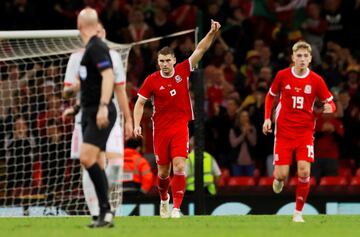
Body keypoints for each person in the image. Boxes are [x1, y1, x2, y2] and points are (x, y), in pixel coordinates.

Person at [133, 19, 221, 218]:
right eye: (161, 61)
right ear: (158, 62)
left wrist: (212, 33)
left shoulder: (183, 70)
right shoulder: (151, 80)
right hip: (160, 130)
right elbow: (139, 103)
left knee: (180, 166)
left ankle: (176, 208)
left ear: (173, 60)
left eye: (167, 60)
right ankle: (164, 199)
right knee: (163, 173)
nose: (165, 64)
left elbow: (201, 49)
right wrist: (137, 124)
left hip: (180, 126)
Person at [62, 22, 132, 225]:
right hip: (85, 115)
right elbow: (76, 87)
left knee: (115, 165)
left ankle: (105, 208)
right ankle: (98, 212)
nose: (98, 35)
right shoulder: (77, 57)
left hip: (107, 114)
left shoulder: (112, 56)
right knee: (92, 162)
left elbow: (119, 89)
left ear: (104, 33)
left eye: (101, 32)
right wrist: (74, 104)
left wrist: (127, 119)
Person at [262, 41, 336, 223]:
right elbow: (270, 96)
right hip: (284, 132)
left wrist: (330, 108)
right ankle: (278, 180)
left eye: (305, 56)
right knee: (282, 175)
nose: (302, 59)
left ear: (310, 59)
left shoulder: (317, 80)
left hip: (305, 133)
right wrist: (267, 118)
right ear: (293, 58)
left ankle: (298, 213)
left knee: (304, 171)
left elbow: (331, 102)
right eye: (299, 56)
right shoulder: (282, 76)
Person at [73, 7, 117, 228]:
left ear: (79, 26)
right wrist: (77, 106)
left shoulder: (97, 46)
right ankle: (104, 214)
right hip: (87, 111)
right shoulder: (90, 48)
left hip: (99, 112)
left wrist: (102, 107)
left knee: (86, 158)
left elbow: (108, 76)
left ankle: (107, 210)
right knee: (97, 161)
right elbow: (91, 84)